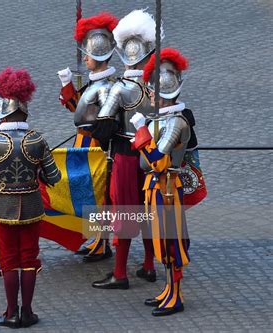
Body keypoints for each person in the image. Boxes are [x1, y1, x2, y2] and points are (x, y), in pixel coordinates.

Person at [0, 67, 61, 328]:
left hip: (1, 208)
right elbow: (54, 178)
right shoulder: (38, 140)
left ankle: (11, 312)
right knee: (29, 258)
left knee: (8, 259)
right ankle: (28, 312)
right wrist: (40, 175)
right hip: (32, 206)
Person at [91, 9, 161, 289]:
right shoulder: (158, 86)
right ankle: (148, 265)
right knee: (147, 210)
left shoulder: (119, 89)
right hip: (154, 155)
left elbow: (103, 126)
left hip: (126, 155)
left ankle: (120, 273)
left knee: (123, 212)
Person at [130, 48, 191, 316]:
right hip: (155, 187)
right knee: (160, 242)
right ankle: (168, 289)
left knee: (170, 243)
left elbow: (158, 160)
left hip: (167, 188)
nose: (151, 95)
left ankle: (175, 296)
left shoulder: (176, 123)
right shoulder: (165, 119)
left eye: (154, 91)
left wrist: (142, 131)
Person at [57, 12, 119, 262]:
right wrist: (67, 83)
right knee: (89, 192)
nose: (84, 58)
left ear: (98, 56)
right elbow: (78, 107)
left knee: (100, 194)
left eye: (88, 54)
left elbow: (102, 120)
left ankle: (103, 242)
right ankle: (95, 238)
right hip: (83, 143)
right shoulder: (95, 83)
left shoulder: (106, 87)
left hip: (96, 144)